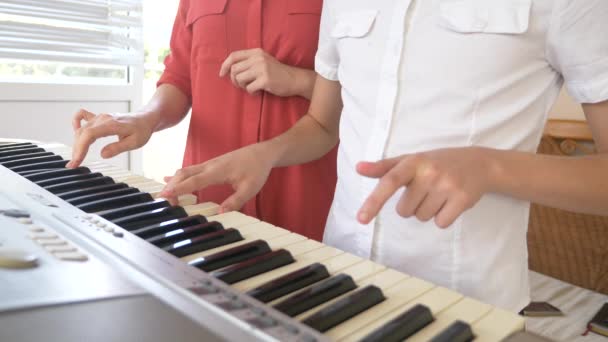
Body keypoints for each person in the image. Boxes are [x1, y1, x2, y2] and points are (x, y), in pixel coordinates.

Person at [160, 0, 608, 312]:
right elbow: (321, 125)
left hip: (467, 305)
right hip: (337, 285)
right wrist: (265, 154)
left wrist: (490, 167)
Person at [67, 0, 336, 241]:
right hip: (208, 195)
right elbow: (180, 76)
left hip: (305, 195)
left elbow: (369, 96)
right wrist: (144, 118)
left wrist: (298, 80)